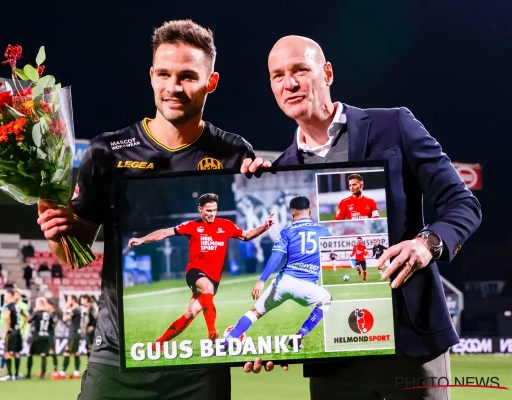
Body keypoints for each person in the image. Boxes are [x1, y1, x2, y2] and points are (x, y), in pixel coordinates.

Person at [240, 35, 482, 399]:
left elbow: (462, 203)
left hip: (410, 344)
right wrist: (267, 343)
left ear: (327, 73)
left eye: (300, 70)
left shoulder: (394, 126)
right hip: (335, 363)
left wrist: (426, 244)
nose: (289, 83)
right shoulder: (282, 171)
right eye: (278, 75)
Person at [36, 19, 267, 400]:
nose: (173, 87)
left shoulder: (234, 152)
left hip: (199, 370)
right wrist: (55, 228)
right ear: (151, 76)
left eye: (188, 77)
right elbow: (72, 254)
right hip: (117, 357)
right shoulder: (107, 151)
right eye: (164, 74)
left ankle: (208, 335)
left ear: (211, 82)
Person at [128, 193, 274, 344]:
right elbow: (164, 233)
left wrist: (264, 227)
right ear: (200, 209)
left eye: (214, 210)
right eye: (208, 210)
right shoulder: (191, 226)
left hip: (214, 278)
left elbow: (246, 235)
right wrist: (142, 239)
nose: (212, 214)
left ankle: (158, 343)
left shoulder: (225, 225)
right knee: (207, 288)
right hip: (195, 272)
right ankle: (212, 332)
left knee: (191, 313)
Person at [224, 196, 332, 350]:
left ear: (292, 212)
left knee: (255, 312)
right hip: (307, 287)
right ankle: (299, 336)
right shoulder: (323, 231)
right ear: (309, 212)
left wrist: (261, 281)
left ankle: (227, 342)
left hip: (284, 282)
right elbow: (332, 253)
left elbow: (276, 256)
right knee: (327, 300)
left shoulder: (287, 231)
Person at [0, 289, 28, 381]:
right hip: (18, 331)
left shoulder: (9, 306)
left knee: (7, 352)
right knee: (16, 352)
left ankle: (10, 375)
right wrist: (22, 327)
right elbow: (27, 317)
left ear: (10, 296)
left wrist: (8, 328)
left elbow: (7, 317)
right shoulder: (18, 307)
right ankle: (16, 374)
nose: (4, 297)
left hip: (11, 332)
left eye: (5, 296)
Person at [26, 297, 54, 379]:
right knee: (43, 354)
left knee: (30, 354)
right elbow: (52, 324)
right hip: (46, 336)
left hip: (37, 335)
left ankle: (28, 374)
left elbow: (29, 321)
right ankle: (42, 374)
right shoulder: (49, 314)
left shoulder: (36, 313)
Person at [60, 295, 83, 379]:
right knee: (75, 352)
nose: (68, 301)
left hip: (74, 334)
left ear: (73, 300)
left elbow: (66, 318)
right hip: (74, 333)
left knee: (67, 352)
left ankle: (63, 372)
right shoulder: (75, 309)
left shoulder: (76, 310)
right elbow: (65, 318)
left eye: (69, 300)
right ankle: (76, 372)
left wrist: (66, 307)